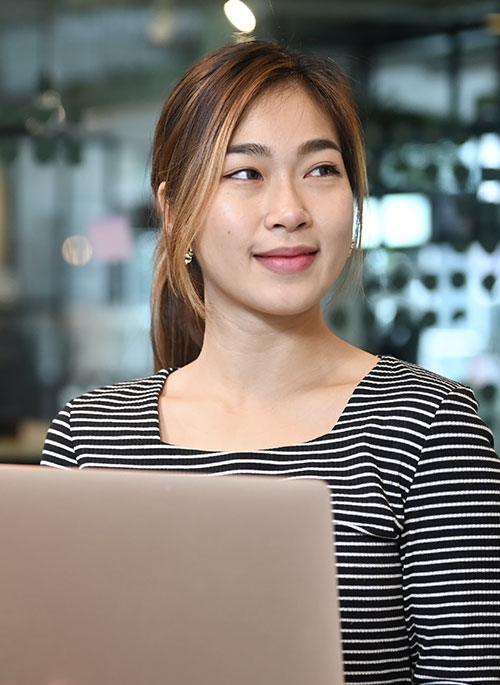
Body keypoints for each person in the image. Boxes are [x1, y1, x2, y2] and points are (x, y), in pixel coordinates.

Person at [42, 39, 500, 683]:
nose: (290, 211)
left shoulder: (428, 427)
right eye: (245, 173)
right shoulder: (91, 436)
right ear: (175, 213)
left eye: (321, 170)